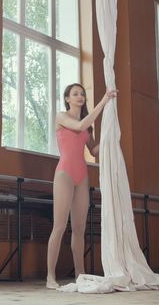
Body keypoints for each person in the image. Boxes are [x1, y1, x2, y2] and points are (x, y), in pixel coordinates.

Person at [46, 83, 117, 289]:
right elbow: (78, 127)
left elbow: (93, 151)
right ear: (67, 98)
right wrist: (104, 101)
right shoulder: (62, 117)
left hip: (82, 176)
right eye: (75, 94)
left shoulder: (87, 125)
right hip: (64, 174)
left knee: (79, 228)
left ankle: (80, 273)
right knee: (59, 226)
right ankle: (50, 276)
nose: (80, 96)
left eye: (82, 94)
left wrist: (110, 136)